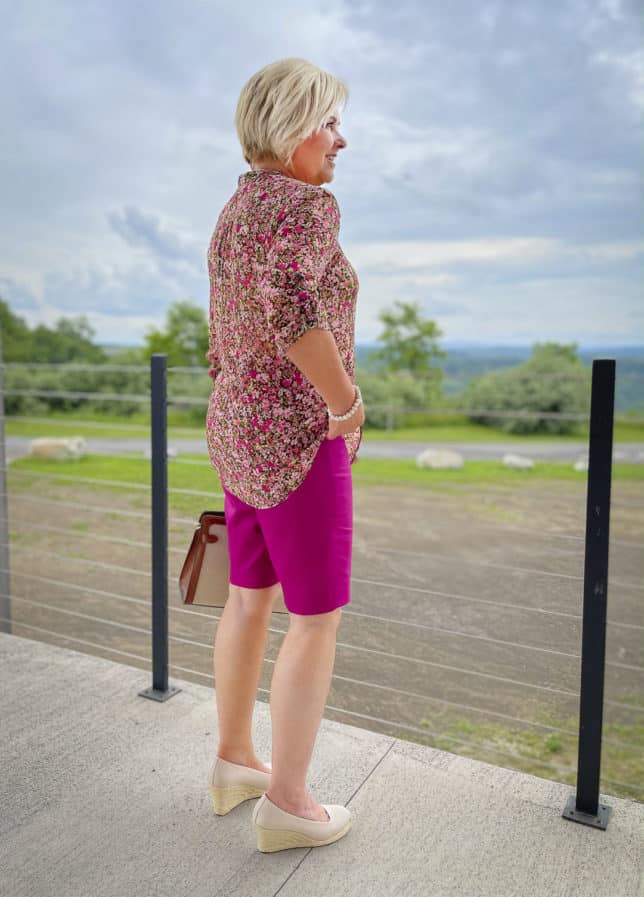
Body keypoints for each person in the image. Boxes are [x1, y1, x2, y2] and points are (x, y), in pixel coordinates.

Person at [205, 57, 365, 853]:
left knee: (247, 599)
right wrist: (344, 404)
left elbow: (227, 322)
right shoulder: (306, 208)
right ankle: (289, 801)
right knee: (316, 619)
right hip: (301, 440)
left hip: (237, 431)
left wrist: (239, 392)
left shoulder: (237, 210)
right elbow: (295, 310)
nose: (341, 139)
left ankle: (236, 760)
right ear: (290, 126)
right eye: (329, 121)